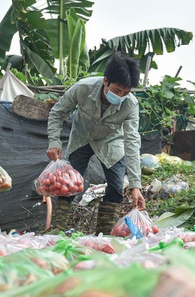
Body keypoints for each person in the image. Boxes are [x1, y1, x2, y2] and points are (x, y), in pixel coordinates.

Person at [46, 51, 145, 234]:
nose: (121, 96)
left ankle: (104, 235)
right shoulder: (83, 88)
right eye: (117, 91)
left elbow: (132, 141)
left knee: (115, 188)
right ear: (105, 81)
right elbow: (57, 112)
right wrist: (54, 142)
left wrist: (135, 185)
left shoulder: (130, 105)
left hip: (112, 142)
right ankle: (58, 230)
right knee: (69, 185)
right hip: (82, 138)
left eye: (126, 92)